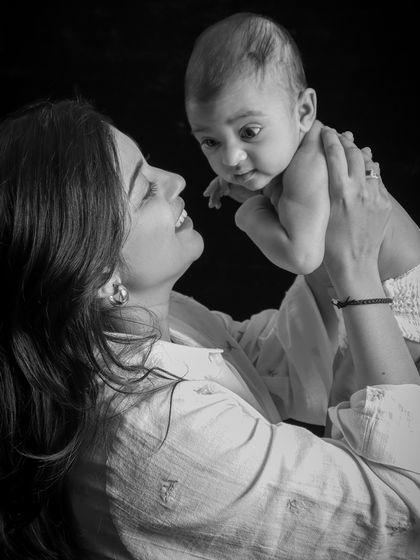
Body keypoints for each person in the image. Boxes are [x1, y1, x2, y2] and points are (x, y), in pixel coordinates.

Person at [0, 99, 419, 560]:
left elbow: (280, 359)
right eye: (145, 191)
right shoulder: (165, 436)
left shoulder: (155, 321)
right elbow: (405, 518)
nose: (177, 180)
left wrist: (312, 217)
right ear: (99, 273)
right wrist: (356, 267)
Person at [185, 13, 420, 368]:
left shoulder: (309, 166)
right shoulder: (290, 157)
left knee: (357, 402)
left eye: (249, 132)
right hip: (379, 292)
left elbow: (301, 255)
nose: (231, 158)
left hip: (402, 301)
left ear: (304, 111)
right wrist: (245, 183)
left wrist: (250, 215)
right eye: (210, 141)